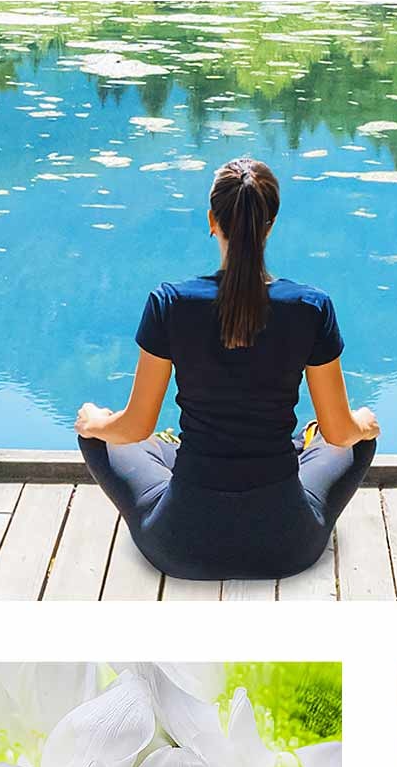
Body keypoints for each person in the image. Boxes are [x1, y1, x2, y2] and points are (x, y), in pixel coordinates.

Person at [75, 156, 377, 581]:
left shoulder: (170, 303)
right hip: (287, 545)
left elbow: (135, 427)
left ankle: (186, 448)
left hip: (180, 545)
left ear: (212, 221)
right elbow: (341, 433)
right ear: (270, 225)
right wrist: (364, 423)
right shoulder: (311, 307)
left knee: (98, 438)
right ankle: (296, 445)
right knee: (359, 443)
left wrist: (94, 422)